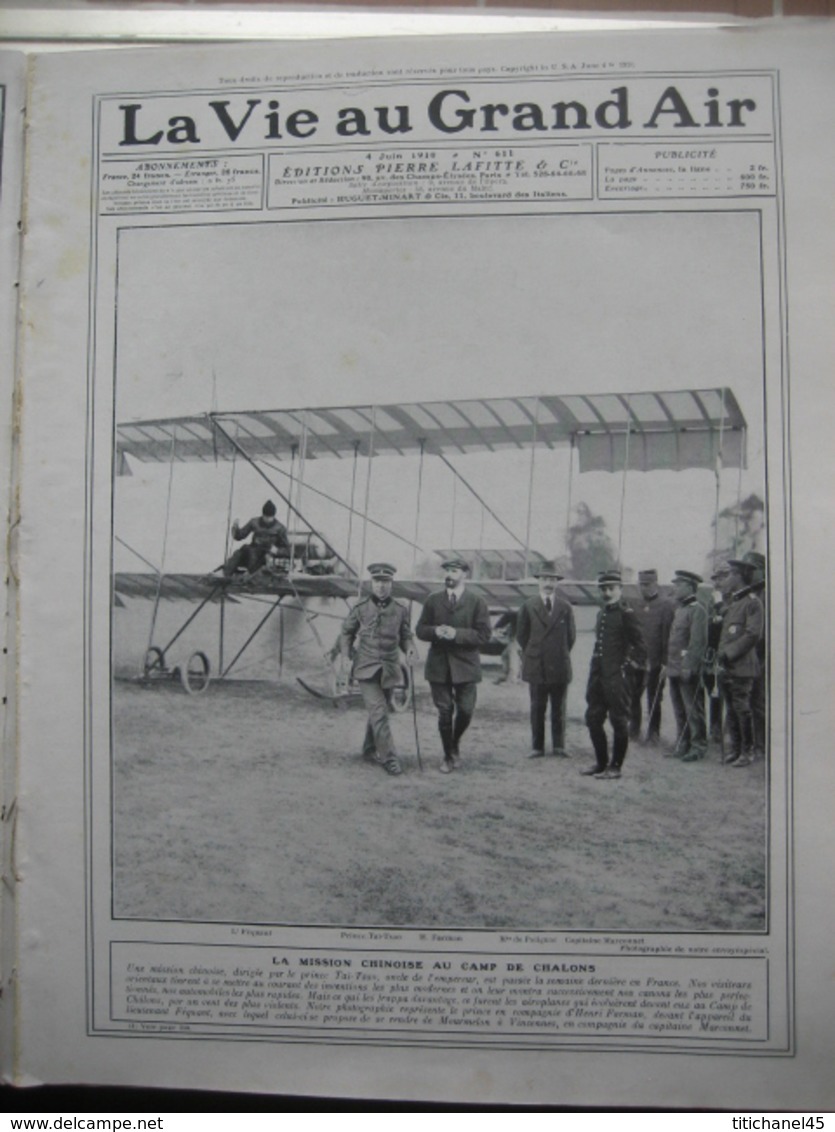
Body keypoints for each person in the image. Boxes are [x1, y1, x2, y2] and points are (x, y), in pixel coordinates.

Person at [338, 563, 418, 777]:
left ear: (391, 584)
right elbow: (347, 633)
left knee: (378, 712)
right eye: (377, 582)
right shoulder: (361, 607)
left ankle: (368, 748)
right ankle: (389, 758)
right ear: (371, 583)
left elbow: (406, 635)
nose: (381, 586)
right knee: (380, 712)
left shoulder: (400, 610)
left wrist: (410, 650)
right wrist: (345, 655)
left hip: (390, 669)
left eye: (385, 582)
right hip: (366, 668)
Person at [415, 556, 492, 774]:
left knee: (466, 710)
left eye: (455, 571)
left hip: (466, 666)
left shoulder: (477, 602)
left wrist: (457, 634)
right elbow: (420, 629)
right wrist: (434, 631)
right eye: (447, 570)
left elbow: (484, 634)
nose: (449, 575)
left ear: (465, 574)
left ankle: (455, 742)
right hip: (438, 666)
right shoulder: (433, 600)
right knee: (445, 712)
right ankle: (448, 755)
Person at [581, 570, 647, 781]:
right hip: (598, 677)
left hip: (617, 678)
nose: (607, 593)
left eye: (611, 588)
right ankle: (601, 763)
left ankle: (615, 767)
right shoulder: (602, 613)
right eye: (603, 589)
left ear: (619, 589)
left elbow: (640, 646)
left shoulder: (626, 613)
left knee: (619, 721)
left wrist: (627, 667)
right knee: (593, 719)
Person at [516, 561, 576, 758]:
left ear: (557, 582)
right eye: (544, 579)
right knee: (537, 707)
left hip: (559, 664)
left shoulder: (565, 607)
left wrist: (557, 652)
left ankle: (559, 746)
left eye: (552, 579)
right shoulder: (528, 606)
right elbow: (522, 636)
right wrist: (536, 652)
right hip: (536, 664)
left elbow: (571, 637)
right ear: (538, 582)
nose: (548, 583)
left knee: (559, 707)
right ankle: (537, 747)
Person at [713, 559, 764, 768]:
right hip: (727, 666)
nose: (727, 579)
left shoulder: (753, 602)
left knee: (742, 708)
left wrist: (729, 654)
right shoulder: (734, 603)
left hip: (742, 666)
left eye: (731, 574)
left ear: (740, 576)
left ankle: (747, 751)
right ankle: (735, 749)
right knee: (732, 709)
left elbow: (753, 635)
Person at [664, 569, 708, 762]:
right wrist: (669, 666)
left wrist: (688, 666)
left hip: (687, 669)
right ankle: (683, 743)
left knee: (693, 709)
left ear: (690, 587)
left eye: (678, 585)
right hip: (674, 668)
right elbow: (674, 642)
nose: (675, 588)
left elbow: (697, 643)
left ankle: (698, 746)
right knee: (679, 708)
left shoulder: (698, 610)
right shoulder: (680, 609)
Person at [629, 568, 675, 746]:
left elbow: (667, 636)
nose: (643, 588)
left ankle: (653, 732)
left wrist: (664, 662)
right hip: (637, 660)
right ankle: (634, 729)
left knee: (654, 697)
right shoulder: (635, 604)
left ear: (655, 584)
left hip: (656, 662)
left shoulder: (666, 605)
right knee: (634, 695)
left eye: (647, 584)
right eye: (641, 584)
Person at [742, 550, 767, 759]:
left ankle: (761, 746)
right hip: (749, 655)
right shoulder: (750, 594)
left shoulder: (766, 594)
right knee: (748, 701)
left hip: (763, 656)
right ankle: (750, 744)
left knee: (759, 702)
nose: (748, 574)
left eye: (752, 569)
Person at [223, 499, 290, 577]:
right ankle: (225, 576)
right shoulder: (254, 522)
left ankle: (250, 579)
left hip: (266, 553)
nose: (268, 519)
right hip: (253, 549)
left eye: (270, 517)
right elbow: (239, 536)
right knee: (238, 554)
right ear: (263, 514)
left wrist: (277, 551)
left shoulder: (280, 528)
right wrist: (235, 528)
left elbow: (288, 550)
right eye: (266, 516)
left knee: (254, 557)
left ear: (274, 516)